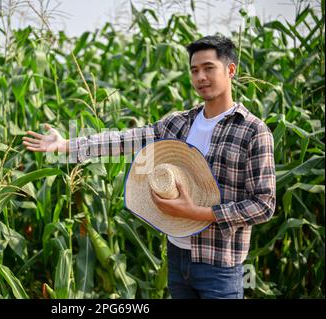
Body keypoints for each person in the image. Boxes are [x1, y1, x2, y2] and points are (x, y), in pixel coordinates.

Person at [22, 35, 276, 299]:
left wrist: (199, 212)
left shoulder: (253, 131)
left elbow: (264, 205)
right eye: (194, 70)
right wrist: (67, 145)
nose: (201, 77)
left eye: (208, 68)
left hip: (220, 264)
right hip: (177, 259)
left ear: (231, 70)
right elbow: (124, 141)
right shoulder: (179, 123)